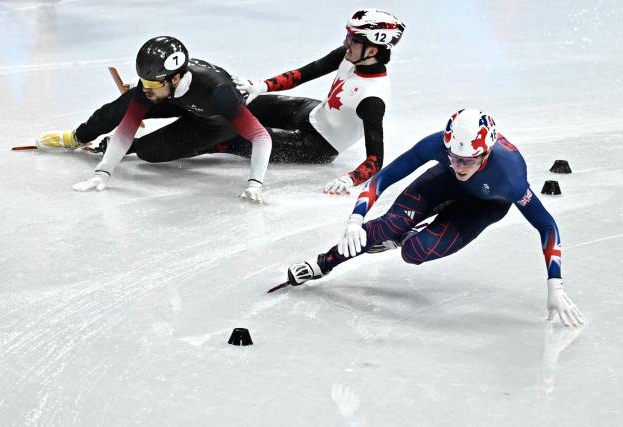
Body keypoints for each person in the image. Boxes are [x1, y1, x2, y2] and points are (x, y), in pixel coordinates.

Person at [286, 109, 584, 327]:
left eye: (468, 161)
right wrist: (355, 218)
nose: (460, 166)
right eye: (454, 157)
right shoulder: (439, 147)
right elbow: (385, 176)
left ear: (486, 154)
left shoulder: (510, 175)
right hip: (442, 185)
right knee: (388, 224)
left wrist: (554, 285)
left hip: (482, 208)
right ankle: (323, 263)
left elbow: (547, 226)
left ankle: (404, 237)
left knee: (413, 253)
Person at [36, 36, 272, 203]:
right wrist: (102, 173)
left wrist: (254, 184)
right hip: (177, 100)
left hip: (215, 122)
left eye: (152, 85)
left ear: (176, 78)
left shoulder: (218, 92)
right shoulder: (157, 85)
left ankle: (218, 145)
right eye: (144, 82)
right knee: (123, 104)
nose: (145, 90)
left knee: (151, 152)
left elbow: (260, 137)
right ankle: (78, 136)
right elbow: (125, 129)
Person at [229, 8, 405, 194]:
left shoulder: (372, 99)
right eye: (347, 35)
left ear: (371, 50)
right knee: (239, 103)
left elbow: (375, 160)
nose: (345, 42)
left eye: (352, 39)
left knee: (229, 135)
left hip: (317, 145)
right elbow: (303, 74)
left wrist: (350, 178)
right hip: (309, 111)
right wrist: (262, 86)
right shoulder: (349, 56)